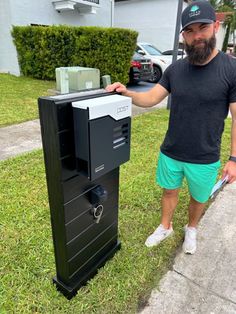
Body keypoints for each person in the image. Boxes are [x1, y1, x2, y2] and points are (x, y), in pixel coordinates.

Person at [106, 0, 236, 254]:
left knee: (199, 198)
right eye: (190, 30)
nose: (197, 35)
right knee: (169, 192)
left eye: (203, 28)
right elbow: (151, 98)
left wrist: (233, 158)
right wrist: (126, 92)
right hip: (171, 151)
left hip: (205, 155)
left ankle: (192, 229)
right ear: (183, 36)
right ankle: (165, 227)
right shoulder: (176, 69)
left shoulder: (231, 69)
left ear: (215, 27)